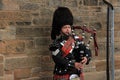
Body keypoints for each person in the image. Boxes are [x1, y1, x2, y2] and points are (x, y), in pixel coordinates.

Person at [49, 7, 91, 80]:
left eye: (69, 27)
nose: (68, 29)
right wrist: (73, 64)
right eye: (65, 27)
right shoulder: (55, 44)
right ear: (60, 29)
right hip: (62, 75)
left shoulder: (77, 40)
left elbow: (86, 50)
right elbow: (58, 60)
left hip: (76, 74)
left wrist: (86, 58)